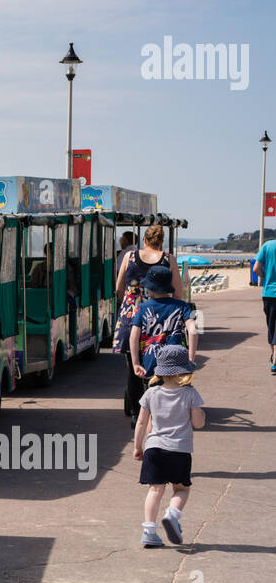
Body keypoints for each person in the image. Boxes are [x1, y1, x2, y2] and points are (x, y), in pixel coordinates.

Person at [133, 345, 205, 548]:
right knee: (181, 489)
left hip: (154, 448)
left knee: (155, 490)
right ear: (184, 371)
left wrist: (138, 447)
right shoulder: (190, 394)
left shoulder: (151, 393)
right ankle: (172, 515)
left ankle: (148, 531)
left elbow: (141, 423)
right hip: (180, 450)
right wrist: (201, 414)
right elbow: (198, 423)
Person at [113, 224, 182, 417]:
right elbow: (178, 293)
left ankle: (136, 412)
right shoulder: (169, 259)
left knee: (133, 366)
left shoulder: (129, 256)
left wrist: (128, 304)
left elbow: (119, 287)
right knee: (160, 364)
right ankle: (157, 409)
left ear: (144, 240)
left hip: (131, 315)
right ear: (161, 241)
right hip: (159, 320)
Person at [130, 266, 198, 393]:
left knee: (152, 399)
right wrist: (190, 359)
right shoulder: (182, 305)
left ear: (150, 288)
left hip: (151, 362)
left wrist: (135, 363)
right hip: (177, 362)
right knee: (179, 396)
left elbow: (134, 336)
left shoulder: (143, 308)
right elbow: (193, 330)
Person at [251, 234, 276, 373]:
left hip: (270, 293)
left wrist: (266, 277)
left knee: (272, 327)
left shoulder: (268, 245)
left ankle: (274, 358)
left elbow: (256, 269)